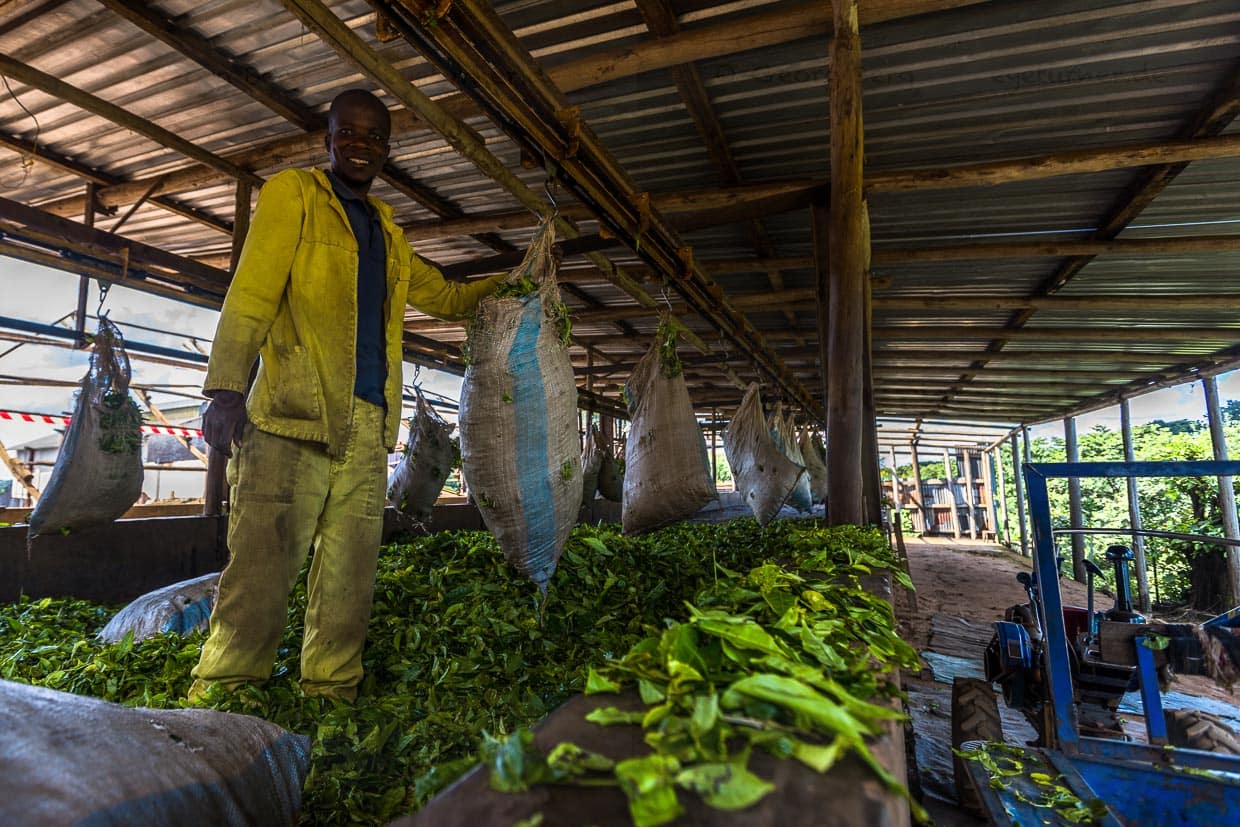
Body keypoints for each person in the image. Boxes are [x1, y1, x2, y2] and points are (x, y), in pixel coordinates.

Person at [189, 89, 503, 703]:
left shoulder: (388, 230)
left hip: (367, 426)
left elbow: (443, 296)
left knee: (350, 575)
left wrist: (510, 286)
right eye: (349, 134)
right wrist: (225, 387)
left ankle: (331, 692)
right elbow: (251, 293)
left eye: (374, 137)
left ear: (388, 149)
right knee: (261, 569)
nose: (361, 146)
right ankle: (225, 695)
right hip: (289, 416)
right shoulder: (294, 197)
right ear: (328, 139)